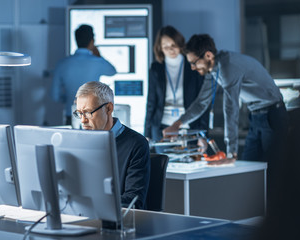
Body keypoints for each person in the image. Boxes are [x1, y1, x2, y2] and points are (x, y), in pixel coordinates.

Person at [163, 34, 288, 162]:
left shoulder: (228, 67)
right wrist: (176, 125)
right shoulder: (212, 70)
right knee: (249, 168)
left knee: (275, 168)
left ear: (208, 55)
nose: (193, 68)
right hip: (256, 116)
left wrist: (231, 152)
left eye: (194, 63)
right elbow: (201, 103)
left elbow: (231, 109)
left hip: (273, 115)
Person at [74, 81, 150, 209]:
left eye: (87, 112)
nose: (83, 120)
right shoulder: (79, 143)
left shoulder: (136, 144)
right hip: (82, 215)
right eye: (79, 113)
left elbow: (133, 201)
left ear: (109, 108)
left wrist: (91, 204)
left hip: (120, 223)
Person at [144, 26, 209, 148]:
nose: (170, 49)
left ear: (180, 44)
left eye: (173, 45)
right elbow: (151, 102)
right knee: (164, 165)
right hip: (162, 128)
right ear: (160, 48)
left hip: (189, 128)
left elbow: (202, 103)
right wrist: (146, 135)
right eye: (166, 46)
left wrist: (203, 135)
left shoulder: (193, 65)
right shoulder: (156, 68)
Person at [51, 24, 117, 125]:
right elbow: (112, 71)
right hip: (94, 117)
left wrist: (70, 99)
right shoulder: (97, 62)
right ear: (92, 42)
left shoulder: (62, 63)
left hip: (72, 116)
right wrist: (99, 55)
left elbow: (55, 96)